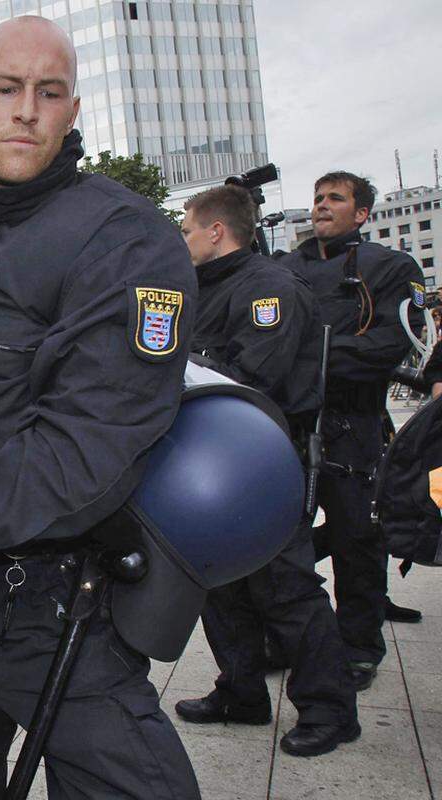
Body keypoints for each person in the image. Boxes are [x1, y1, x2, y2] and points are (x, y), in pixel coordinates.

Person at [0, 17, 200, 798]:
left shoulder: (125, 238)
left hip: (46, 600)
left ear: (72, 110)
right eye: (6, 88)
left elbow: (94, 440)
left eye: (49, 93)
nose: (27, 110)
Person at [175, 185, 359, 756]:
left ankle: (330, 709)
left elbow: (257, 378)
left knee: (285, 588)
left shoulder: (269, 289)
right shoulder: (202, 290)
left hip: (265, 457)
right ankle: (241, 691)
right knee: (221, 583)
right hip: (214, 458)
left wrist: (181, 365)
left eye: (186, 230)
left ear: (215, 231)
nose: (181, 241)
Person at [277, 171, 425, 691]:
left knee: (357, 539)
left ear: (361, 214)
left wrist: (309, 357)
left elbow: (390, 345)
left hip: (353, 422)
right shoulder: (283, 268)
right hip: (288, 423)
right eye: (317, 197)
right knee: (276, 536)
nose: (321, 205)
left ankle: (359, 645)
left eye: (335, 199)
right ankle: (283, 637)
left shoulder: (391, 267)